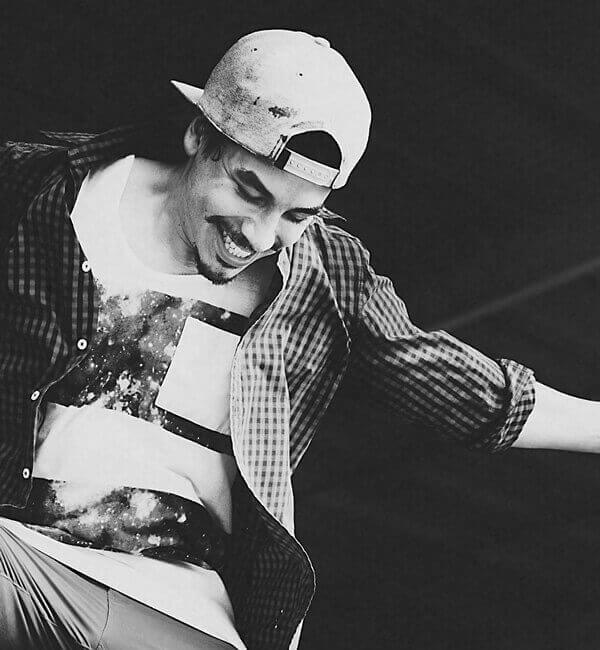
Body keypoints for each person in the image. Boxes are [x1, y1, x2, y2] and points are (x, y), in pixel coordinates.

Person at [0, 28, 598, 650]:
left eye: (296, 216)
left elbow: (469, 392)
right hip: (25, 569)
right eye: (249, 191)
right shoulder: (38, 192)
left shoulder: (323, 279)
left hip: (173, 612)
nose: (259, 237)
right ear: (200, 135)